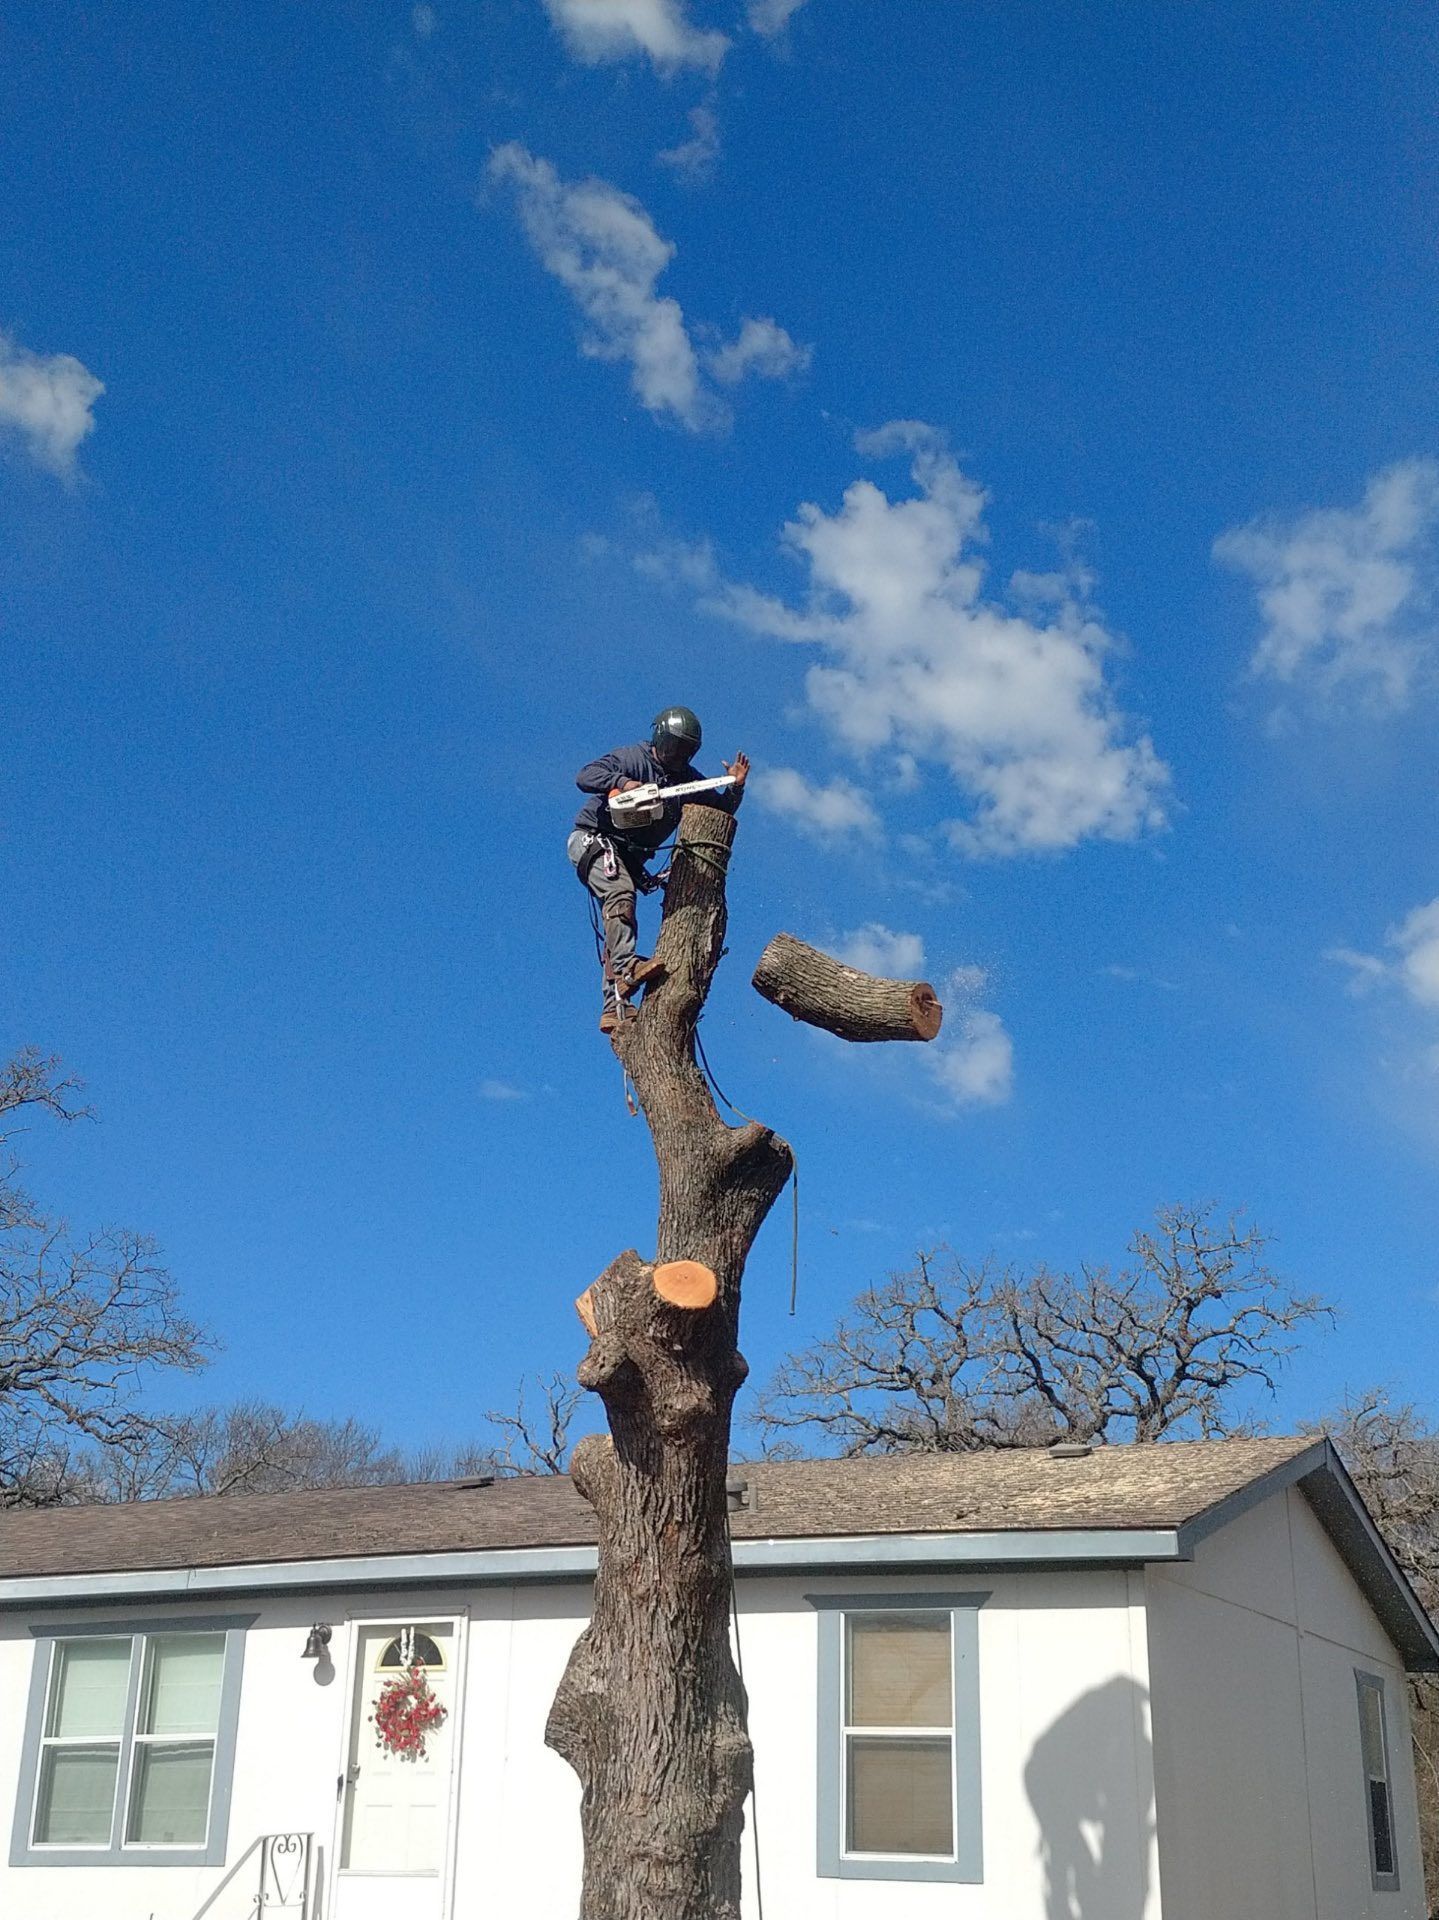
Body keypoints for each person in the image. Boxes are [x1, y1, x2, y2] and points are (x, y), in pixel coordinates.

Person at [569, 707, 749, 1032]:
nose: (675, 756)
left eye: (683, 751)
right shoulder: (631, 757)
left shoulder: (687, 781)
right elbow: (585, 776)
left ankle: (615, 1010)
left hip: (630, 859)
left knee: (621, 915)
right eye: (671, 748)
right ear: (659, 738)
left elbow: (720, 809)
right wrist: (621, 784)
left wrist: (734, 787)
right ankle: (626, 968)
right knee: (621, 895)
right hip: (593, 840)